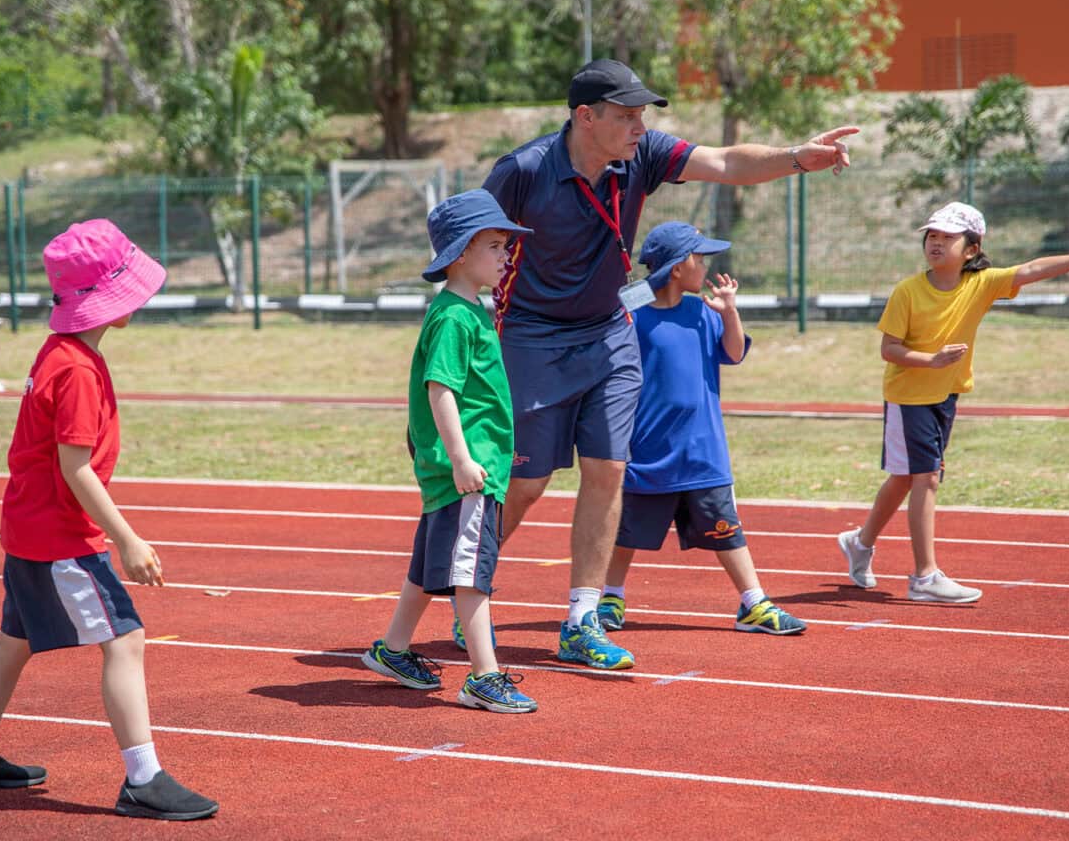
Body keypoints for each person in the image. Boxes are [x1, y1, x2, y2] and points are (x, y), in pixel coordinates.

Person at [481, 58, 855, 669]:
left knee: (606, 471)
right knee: (526, 484)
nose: (639, 126)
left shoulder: (643, 155)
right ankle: (467, 586)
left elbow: (728, 162)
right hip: (532, 339)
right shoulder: (522, 171)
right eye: (626, 116)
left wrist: (796, 157)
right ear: (584, 116)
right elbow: (469, 243)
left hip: (608, 334)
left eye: (642, 116)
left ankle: (582, 620)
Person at [0, 219, 218, 821]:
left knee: (14, 643)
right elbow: (76, 468)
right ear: (104, 299)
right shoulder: (78, 369)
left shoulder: (64, 355)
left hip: (31, 527)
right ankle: (143, 778)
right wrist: (128, 540)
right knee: (126, 639)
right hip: (59, 537)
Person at [837, 202, 1069, 603]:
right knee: (925, 478)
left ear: (972, 249)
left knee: (907, 478)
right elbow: (889, 349)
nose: (936, 243)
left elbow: (1033, 269)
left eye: (948, 237)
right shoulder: (908, 291)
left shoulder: (982, 284)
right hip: (908, 396)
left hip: (944, 395)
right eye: (932, 236)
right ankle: (924, 577)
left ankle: (860, 541)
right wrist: (931, 360)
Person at [360, 189, 538, 713]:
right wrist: (462, 458)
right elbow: (441, 388)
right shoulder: (456, 317)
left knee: (429, 567)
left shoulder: (466, 309)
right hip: (469, 469)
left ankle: (393, 649)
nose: (506, 255)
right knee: (470, 572)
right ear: (462, 252)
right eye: (496, 245)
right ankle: (484, 676)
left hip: (462, 467)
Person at [598, 221, 807, 637]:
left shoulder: (702, 312)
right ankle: (610, 597)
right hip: (647, 451)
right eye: (700, 257)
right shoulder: (631, 315)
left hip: (702, 450)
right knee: (627, 533)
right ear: (678, 267)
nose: (707, 264)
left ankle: (754, 603)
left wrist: (729, 309)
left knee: (726, 529)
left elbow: (733, 352)